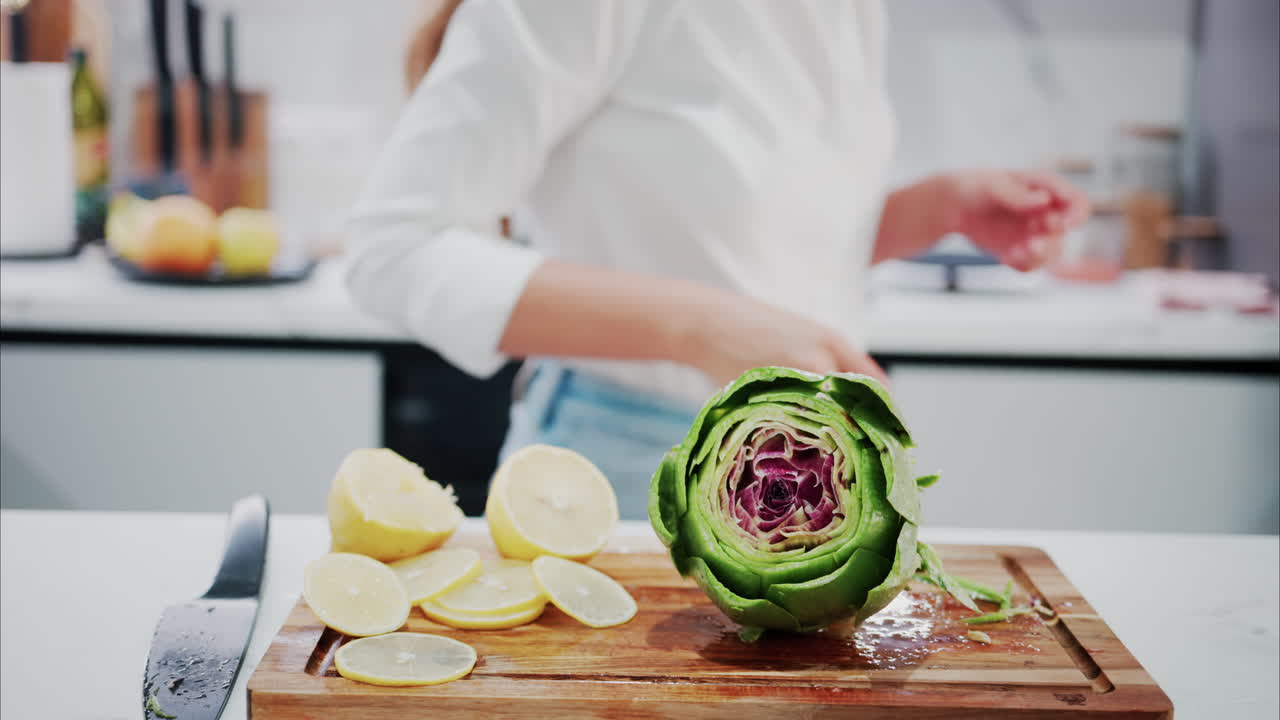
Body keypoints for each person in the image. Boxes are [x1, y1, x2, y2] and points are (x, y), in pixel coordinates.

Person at [345, 0, 1090, 518]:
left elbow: (756, 254)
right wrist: (704, 329)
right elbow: (394, 247)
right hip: (626, 464)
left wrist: (939, 208)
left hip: (802, 470)